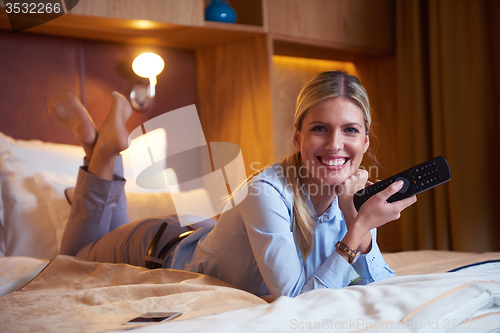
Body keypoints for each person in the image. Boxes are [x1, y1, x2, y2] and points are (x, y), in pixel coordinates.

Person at [48, 71, 417, 300]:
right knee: (71, 259)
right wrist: (359, 229)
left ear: (366, 141)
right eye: (320, 128)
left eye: (350, 130)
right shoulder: (264, 190)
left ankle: (99, 149)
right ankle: (103, 152)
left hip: (198, 229)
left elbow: (380, 282)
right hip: (159, 244)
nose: (335, 145)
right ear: (297, 138)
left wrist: (361, 227)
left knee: (91, 242)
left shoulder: (349, 195)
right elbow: (295, 298)